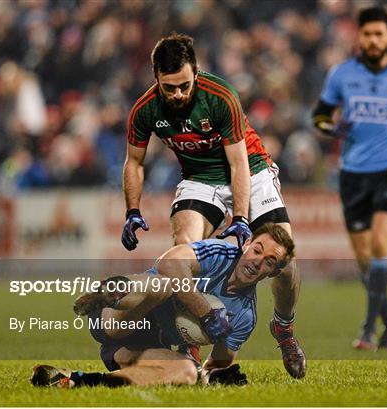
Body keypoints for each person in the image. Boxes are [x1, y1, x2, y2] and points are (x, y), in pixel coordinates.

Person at [121, 33, 305, 377]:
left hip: (250, 170)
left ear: (197, 72)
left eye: (184, 86)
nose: (178, 94)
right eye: (169, 87)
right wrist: (132, 210)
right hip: (200, 178)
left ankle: (283, 326)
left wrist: (240, 217)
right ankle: (188, 334)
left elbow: (237, 164)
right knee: (184, 249)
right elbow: (134, 161)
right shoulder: (144, 110)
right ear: (156, 79)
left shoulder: (220, 97)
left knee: (285, 260)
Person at [32, 223, 295, 388]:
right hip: (117, 318)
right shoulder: (218, 253)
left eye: (270, 261)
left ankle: (76, 381)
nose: (258, 261)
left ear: (273, 272)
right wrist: (205, 313)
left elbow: (219, 362)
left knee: (186, 373)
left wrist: (214, 374)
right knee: (163, 284)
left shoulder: (245, 316)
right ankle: (108, 293)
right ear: (246, 244)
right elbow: (168, 264)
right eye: (257, 250)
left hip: (134, 347)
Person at [312, 7, 387, 350]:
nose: (373, 40)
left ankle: (369, 328)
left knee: (381, 243)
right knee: (364, 258)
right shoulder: (341, 75)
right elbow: (319, 116)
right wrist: (332, 127)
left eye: (379, 34)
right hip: (353, 174)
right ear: (359, 37)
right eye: (367, 34)